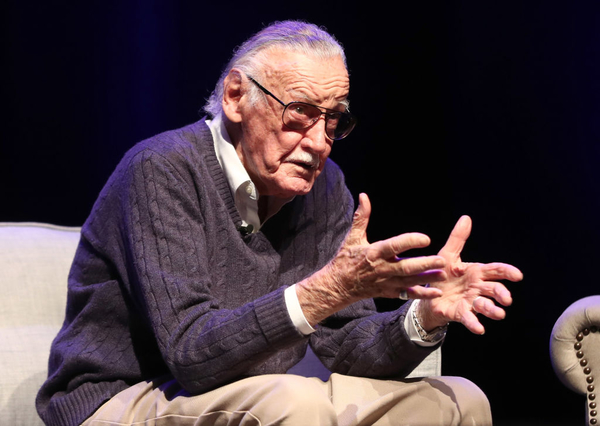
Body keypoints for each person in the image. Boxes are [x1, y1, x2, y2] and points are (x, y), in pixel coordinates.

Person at [36, 20, 523, 426]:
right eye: (301, 113)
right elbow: (190, 355)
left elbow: (346, 346)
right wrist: (329, 289)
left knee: (458, 400)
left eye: (333, 120)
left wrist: (423, 318)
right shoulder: (162, 169)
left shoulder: (325, 187)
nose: (319, 142)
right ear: (235, 96)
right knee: (298, 403)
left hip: (249, 393)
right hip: (124, 395)